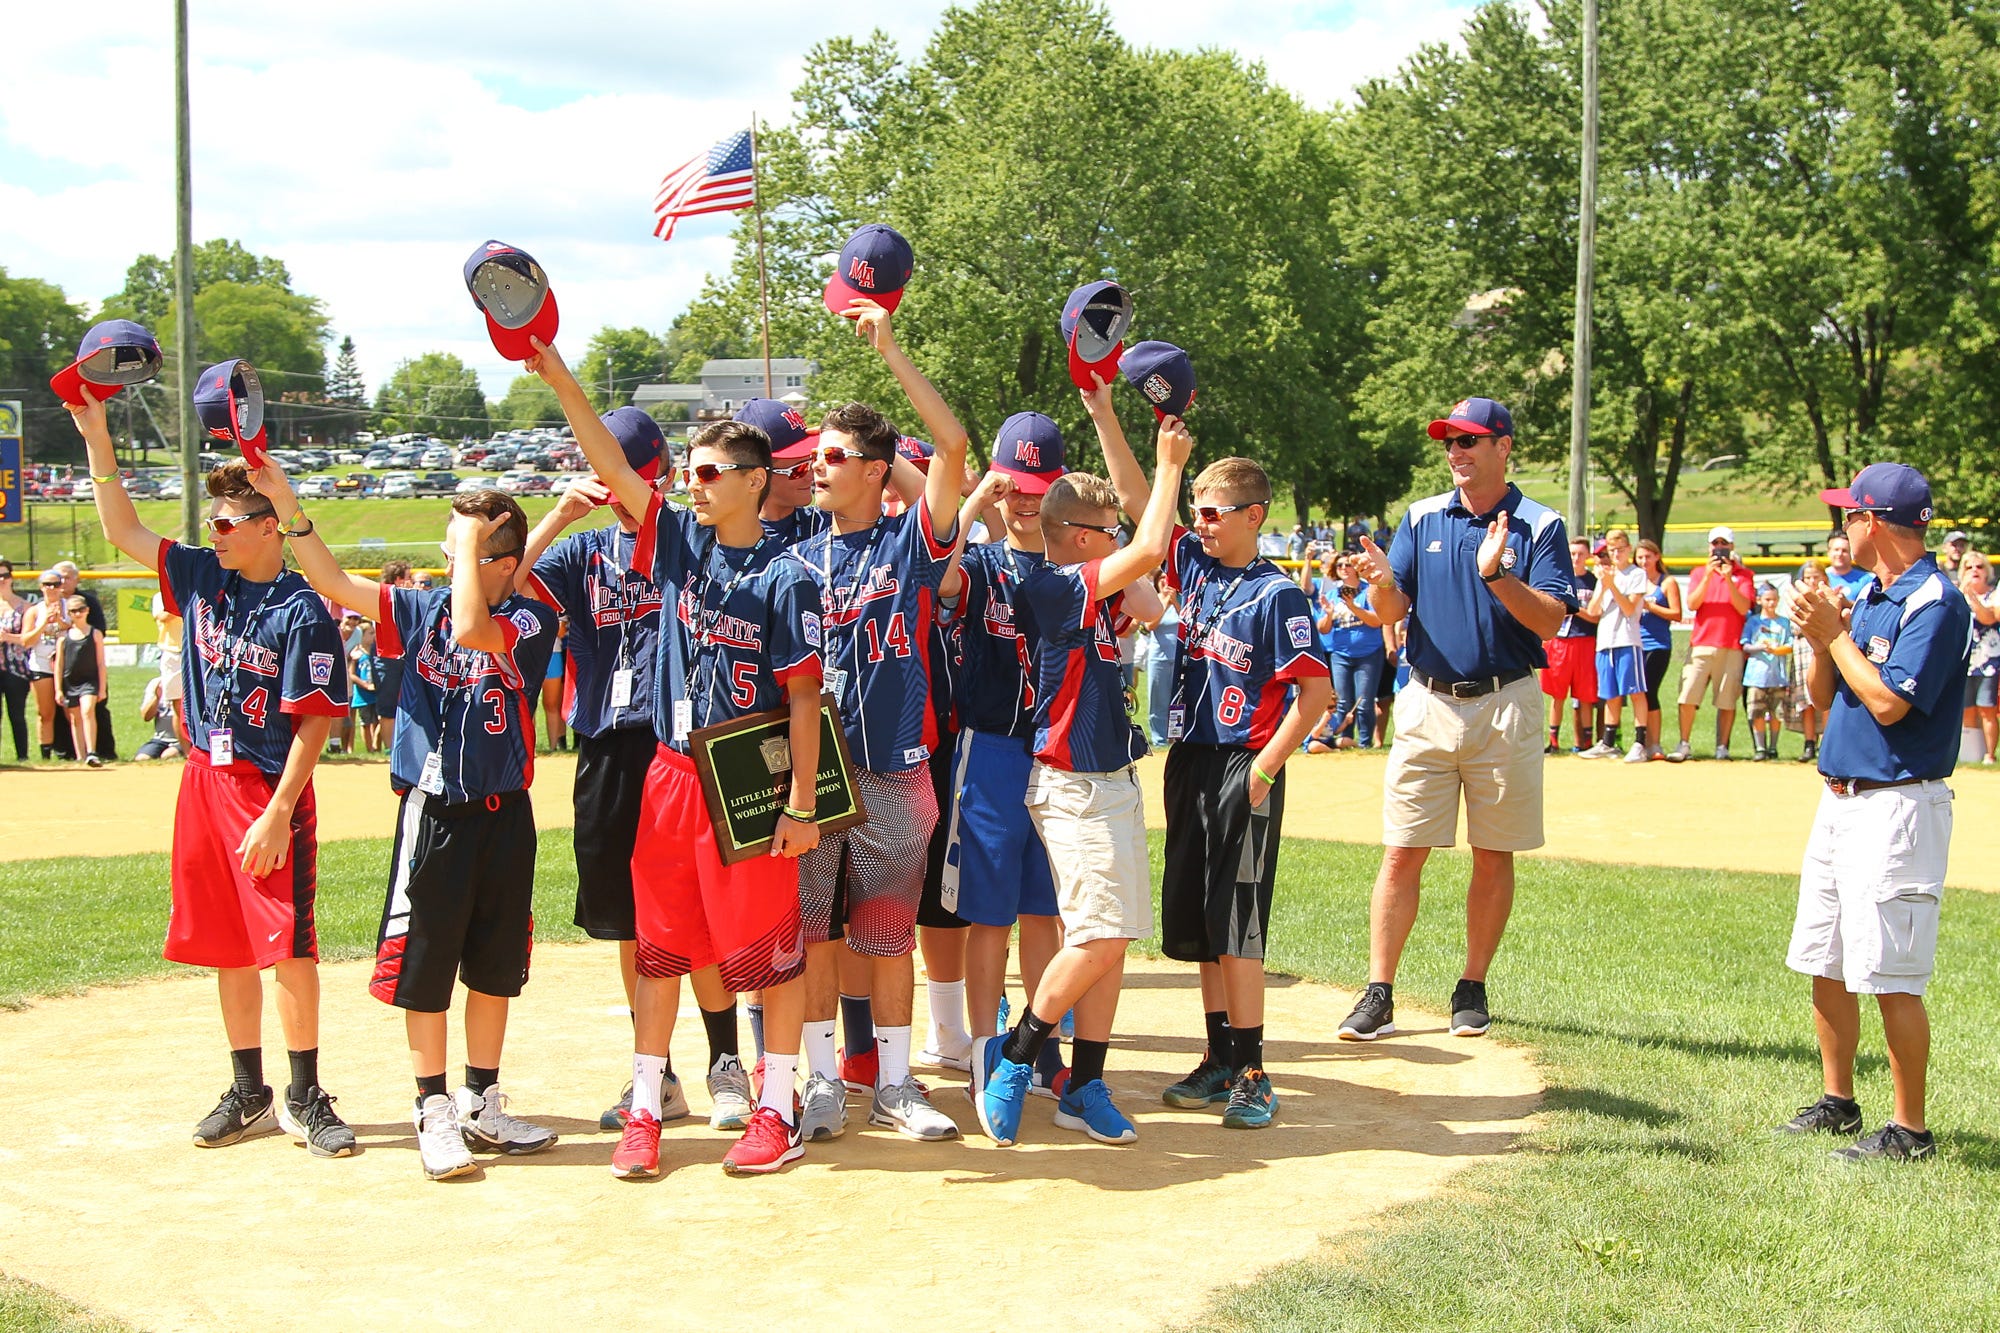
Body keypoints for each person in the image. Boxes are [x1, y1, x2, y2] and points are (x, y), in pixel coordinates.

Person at [535, 339, 824, 1181]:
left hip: (747, 773)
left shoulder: (787, 576)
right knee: (660, 946)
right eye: (687, 472)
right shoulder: (676, 547)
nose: (689, 485)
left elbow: (804, 699)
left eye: (706, 473)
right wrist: (558, 376)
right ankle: (646, 1103)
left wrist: (801, 804)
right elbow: (612, 467)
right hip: (669, 770)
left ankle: (776, 1106)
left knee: (769, 949)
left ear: (752, 481)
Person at [254, 462, 561, 1182]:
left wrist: (476, 548)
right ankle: (433, 1106)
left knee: (494, 966)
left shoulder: (529, 618)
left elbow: (474, 625)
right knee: (427, 966)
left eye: (462, 549)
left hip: (504, 813)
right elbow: (333, 581)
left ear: (505, 563)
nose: (446, 558)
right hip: (435, 814)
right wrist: (289, 507)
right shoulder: (424, 608)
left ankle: (481, 1097)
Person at [71, 390, 356, 1159]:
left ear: (269, 527)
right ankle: (250, 1090)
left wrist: (278, 810)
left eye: (229, 522)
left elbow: (317, 720)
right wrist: (96, 432)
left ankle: (306, 1094)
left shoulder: (302, 608)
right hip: (202, 776)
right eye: (212, 522)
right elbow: (120, 527)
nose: (215, 533)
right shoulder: (201, 575)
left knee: (286, 943)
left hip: (267, 789)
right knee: (229, 943)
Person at [973, 410, 1193, 1148]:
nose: (1119, 541)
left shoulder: (1098, 587)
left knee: (1116, 936)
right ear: (1076, 537)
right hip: (1069, 784)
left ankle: (1087, 1083)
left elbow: (1147, 556)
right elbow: (1153, 541)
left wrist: (1116, 425)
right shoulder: (1053, 585)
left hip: (1114, 779)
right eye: (1107, 532)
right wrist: (1169, 470)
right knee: (1095, 934)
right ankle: (1019, 1053)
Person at [785, 299, 971, 1146]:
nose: (815, 469)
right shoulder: (793, 559)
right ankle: (822, 1081)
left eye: (831, 458)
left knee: (890, 929)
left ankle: (896, 1083)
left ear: (874, 468)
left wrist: (891, 350)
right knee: (815, 929)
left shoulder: (910, 545)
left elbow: (956, 449)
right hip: (814, 769)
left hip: (894, 762)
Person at [1339, 397, 1574, 1043]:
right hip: (1426, 700)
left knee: (1493, 854)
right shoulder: (1421, 515)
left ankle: (1472, 985)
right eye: (1450, 441)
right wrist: (1384, 581)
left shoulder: (1539, 524)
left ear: (1504, 446)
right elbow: (1391, 607)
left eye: (1471, 439)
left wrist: (1496, 575)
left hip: (1506, 702)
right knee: (1401, 850)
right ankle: (1379, 990)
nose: (1457, 451)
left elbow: (1553, 620)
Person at [1781, 462, 1968, 1162]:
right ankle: (1839, 1101)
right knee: (1826, 955)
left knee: (1889, 970)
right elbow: (1827, 695)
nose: (1841, 527)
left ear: (1873, 522)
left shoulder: (1936, 601)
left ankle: (1910, 1129)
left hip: (1898, 804)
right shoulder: (1872, 593)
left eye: (1848, 515)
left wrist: (1835, 632)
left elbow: (1891, 703)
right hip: (1842, 796)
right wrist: (1818, 632)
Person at [1153, 457, 1331, 1131]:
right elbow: (1147, 501)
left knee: (1238, 921)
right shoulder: (1195, 569)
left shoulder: (1276, 592)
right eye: (1195, 509)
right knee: (1202, 919)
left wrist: (1264, 769)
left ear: (1252, 516)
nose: (1198, 521)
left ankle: (1254, 1069)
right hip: (1191, 758)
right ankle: (1220, 1054)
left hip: (1243, 761)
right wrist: (1105, 410)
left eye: (1212, 511)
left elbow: (1316, 692)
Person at [938, 414, 1074, 1105]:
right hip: (991, 750)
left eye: (1038, 486)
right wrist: (973, 502)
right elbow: (938, 577)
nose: (1025, 500)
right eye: (1013, 486)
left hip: (1058, 754)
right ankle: (985, 1053)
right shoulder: (982, 559)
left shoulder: (1074, 563)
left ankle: (1039, 1046)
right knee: (989, 913)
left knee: (1045, 912)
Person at [1671, 525, 1755, 761]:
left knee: (1727, 699)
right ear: (1709, 547)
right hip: (1701, 643)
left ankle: (1722, 747)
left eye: (1724, 544)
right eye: (1715, 544)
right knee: (1687, 695)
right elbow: (1693, 603)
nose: (1719, 549)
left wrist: (1728, 578)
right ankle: (1684, 743)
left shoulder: (1744, 576)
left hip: (1731, 644)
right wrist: (1709, 576)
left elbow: (1743, 607)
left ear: (1732, 547)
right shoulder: (1699, 573)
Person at [1579, 530, 1650, 762]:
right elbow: (1593, 611)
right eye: (1612, 550)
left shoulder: (1636, 574)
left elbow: (1629, 609)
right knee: (1610, 693)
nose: (1616, 554)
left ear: (1629, 549)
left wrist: (1611, 585)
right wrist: (1604, 584)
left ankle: (1640, 742)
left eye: (1620, 549)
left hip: (1627, 639)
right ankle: (1608, 742)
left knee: (1636, 691)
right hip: (1605, 641)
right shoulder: (1606, 576)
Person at [1313, 551, 1387, 749]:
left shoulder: (1368, 591)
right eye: (1340, 566)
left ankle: (1364, 743)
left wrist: (1352, 606)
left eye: (1347, 565)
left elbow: (1376, 621)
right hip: (1340, 654)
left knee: (1364, 701)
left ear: (1355, 568)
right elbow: (1323, 629)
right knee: (1343, 702)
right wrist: (1328, 615)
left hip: (1368, 653)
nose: (1344, 568)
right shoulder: (1331, 595)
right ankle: (1345, 742)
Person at [1540, 537, 1599, 755]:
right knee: (1557, 694)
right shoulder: (1559, 578)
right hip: (1560, 641)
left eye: (1580, 554)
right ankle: (1553, 741)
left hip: (1584, 639)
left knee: (1585, 694)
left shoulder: (1593, 582)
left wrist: (1573, 606)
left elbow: (1594, 616)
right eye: (1572, 553)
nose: (1576, 558)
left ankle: (1586, 741)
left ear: (1588, 556)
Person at [1635, 539, 1681, 761]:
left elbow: (1676, 613)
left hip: (1658, 644)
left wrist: (1650, 606)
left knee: (1649, 691)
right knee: (1638, 693)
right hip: (1635, 642)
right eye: (1640, 557)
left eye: (1648, 556)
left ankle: (1654, 743)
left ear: (1657, 557)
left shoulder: (1666, 582)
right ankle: (1641, 742)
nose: (1644, 561)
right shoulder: (1634, 580)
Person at [1740, 583, 1795, 760]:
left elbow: (1790, 645)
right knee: (1757, 712)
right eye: (1767, 600)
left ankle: (1773, 747)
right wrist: (1761, 647)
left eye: (1774, 599)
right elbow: (1745, 645)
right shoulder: (1753, 621)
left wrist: (1778, 650)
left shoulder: (1783, 622)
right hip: (1756, 676)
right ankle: (1760, 747)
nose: (1771, 603)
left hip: (1777, 676)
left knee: (1776, 713)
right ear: (1760, 600)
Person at [1956, 551, 1999, 762]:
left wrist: (1973, 597)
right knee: (1967, 709)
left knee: (1987, 708)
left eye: (1979, 567)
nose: (1974, 571)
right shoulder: (1954, 594)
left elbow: (1990, 619)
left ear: (1987, 571)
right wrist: (1961, 594)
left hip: (1988, 660)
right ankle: (1972, 754)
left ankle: (1989, 755)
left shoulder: (1995, 594)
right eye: (1969, 567)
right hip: (1964, 660)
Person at [23, 571, 67, 758]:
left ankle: (76, 752)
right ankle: (46, 755)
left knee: (72, 713)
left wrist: (59, 621)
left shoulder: (70, 606)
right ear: (41, 587)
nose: (51, 588)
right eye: (47, 584)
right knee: (45, 713)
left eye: (56, 584)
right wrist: (42, 624)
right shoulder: (34, 611)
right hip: (41, 665)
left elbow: (79, 630)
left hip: (67, 666)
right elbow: (26, 641)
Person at [57, 595, 106, 766]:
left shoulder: (95, 634)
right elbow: (59, 665)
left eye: (81, 609)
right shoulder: (64, 637)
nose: (78, 613)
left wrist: (102, 688)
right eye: (73, 611)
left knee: (87, 711)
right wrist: (58, 689)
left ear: (87, 610)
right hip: (71, 681)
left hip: (89, 681)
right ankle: (80, 755)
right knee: (75, 718)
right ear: (68, 613)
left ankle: (92, 752)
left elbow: (101, 663)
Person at [1141, 570, 1180, 749]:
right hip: (1158, 657)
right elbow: (1150, 625)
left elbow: (1188, 621)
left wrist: (1176, 603)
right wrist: (1165, 602)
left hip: (1178, 657)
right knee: (1158, 699)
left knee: (1178, 702)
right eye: (1162, 579)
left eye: (1168, 579)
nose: (1165, 582)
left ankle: (1176, 738)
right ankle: (1159, 739)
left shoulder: (1182, 600)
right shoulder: (1153, 601)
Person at [0, 561, 32, 761]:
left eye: (4, 575)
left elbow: (29, 639)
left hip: (16, 667)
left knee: (17, 715)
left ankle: (23, 757)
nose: (1, 580)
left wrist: (6, 637)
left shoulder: (24, 607)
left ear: (11, 577)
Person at [134, 674, 187, 761]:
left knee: (167, 755)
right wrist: (156, 698)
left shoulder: (186, 681)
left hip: (181, 740)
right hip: (160, 739)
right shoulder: (156, 683)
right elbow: (146, 717)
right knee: (142, 758)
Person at [348, 622, 379, 754]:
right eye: (371, 633)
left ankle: (376, 746)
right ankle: (369, 749)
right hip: (362, 695)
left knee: (378, 721)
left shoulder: (376, 652)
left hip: (375, 693)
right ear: (361, 636)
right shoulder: (357, 654)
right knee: (365, 723)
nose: (374, 636)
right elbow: (352, 675)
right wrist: (366, 685)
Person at [541, 617, 568, 752]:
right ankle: (529, 748)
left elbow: (561, 631)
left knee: (551, 704)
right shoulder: (522, 598)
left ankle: (553, 748)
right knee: (529, 706)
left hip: (553, 653)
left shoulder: (555, 602)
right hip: (529, 653)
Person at [1825, 532, 1876, 603]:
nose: (1840, 554)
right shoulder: (1819, 578)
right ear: (1828, 552)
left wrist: (1847, 604)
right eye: (1836, 550)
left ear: (1851, 553)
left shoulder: (1867, 580)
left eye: (1844, 551)